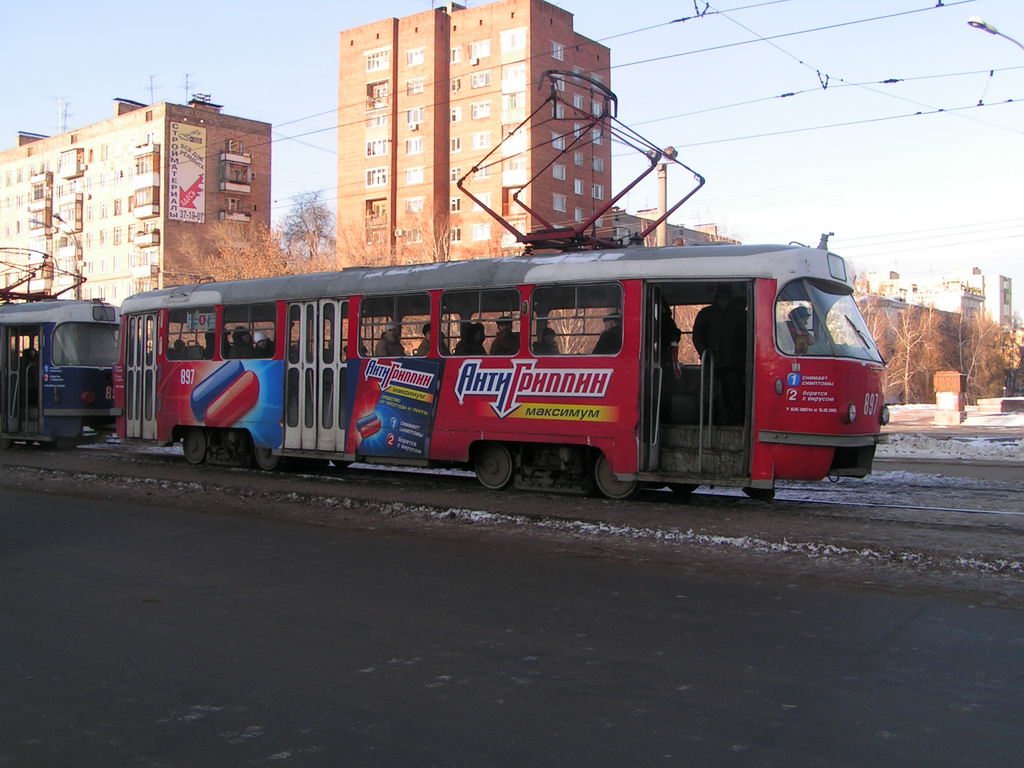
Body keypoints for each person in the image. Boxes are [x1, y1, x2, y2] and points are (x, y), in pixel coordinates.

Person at [692, 286, 746, 424]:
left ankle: (734, 425)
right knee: (708, 396)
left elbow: (746, 338)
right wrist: (704, 352)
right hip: (711, 361)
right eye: (721, 296)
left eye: (726, 296)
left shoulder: (740, 315)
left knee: (733, 396)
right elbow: (697, 336)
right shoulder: (705, 314)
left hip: (733, 364)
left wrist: (741, 358)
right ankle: (708, 423)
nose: (724, 299)